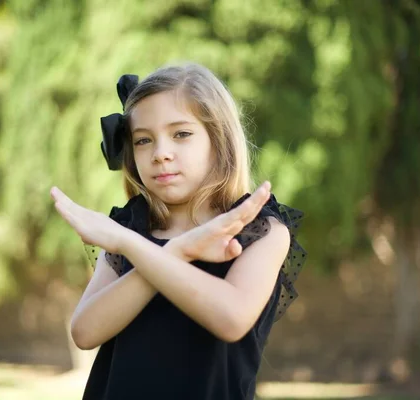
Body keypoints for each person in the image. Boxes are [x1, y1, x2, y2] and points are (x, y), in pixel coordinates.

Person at [50, 63, 306, 400]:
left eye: (181, 134)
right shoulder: (132, 227)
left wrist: (132, 246)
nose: (160, 154)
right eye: (143, 140)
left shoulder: (259, 230)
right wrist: (176, 251)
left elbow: (231, 318)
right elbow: (85, 331)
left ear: (219, 139)